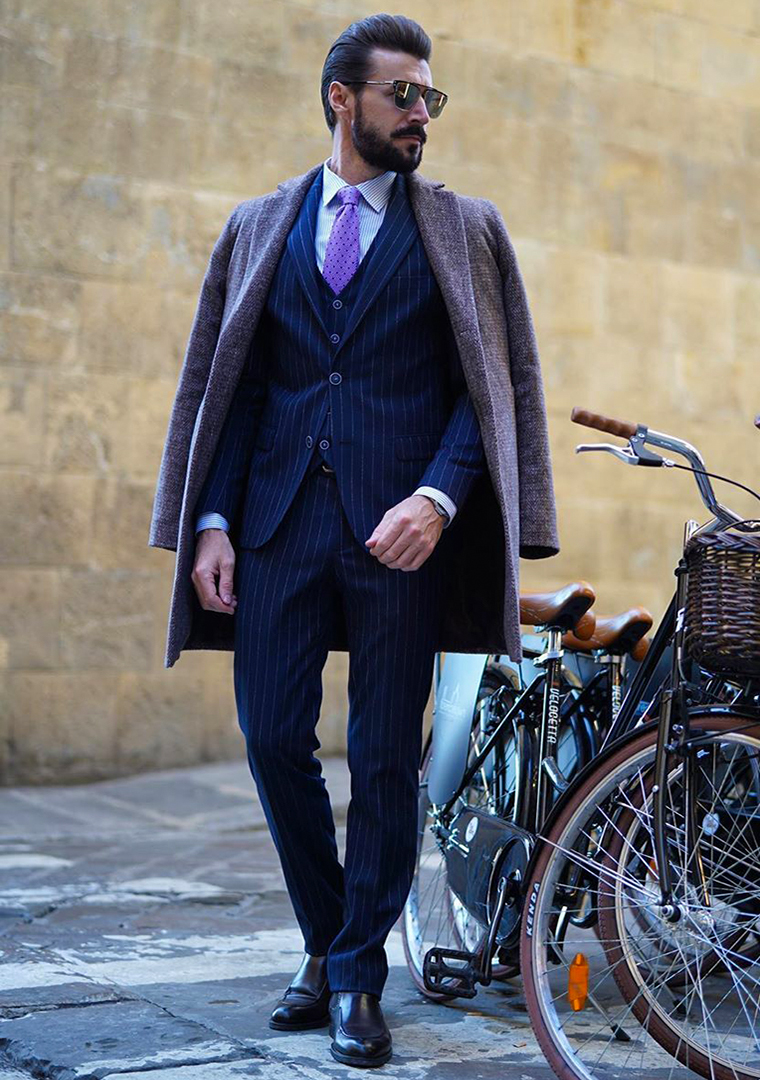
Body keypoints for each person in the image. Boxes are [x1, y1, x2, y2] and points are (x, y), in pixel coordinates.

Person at [148, 13, 559, 1069]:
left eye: (431, 97)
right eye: (402, 96)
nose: (422, 113)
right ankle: (337, 945)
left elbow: (492, 390)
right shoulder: (257, 226)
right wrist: (211, 520)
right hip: (277, 527)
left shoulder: (464, 228)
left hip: (401, 539)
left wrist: (439, 497)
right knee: (272, 739)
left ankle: (352, 977)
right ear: (342, 99)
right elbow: (230, 389)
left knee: (382, 762)